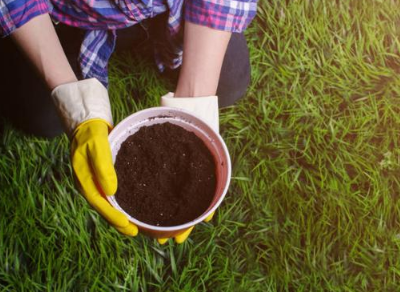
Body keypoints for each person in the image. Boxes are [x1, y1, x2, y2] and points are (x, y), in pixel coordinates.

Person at [0, 0, 258, 244]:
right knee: (39, 116)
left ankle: (148, 36)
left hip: (167, 10)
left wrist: (195, 100)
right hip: (67, 14)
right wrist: (73, 98)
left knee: (231, 79)